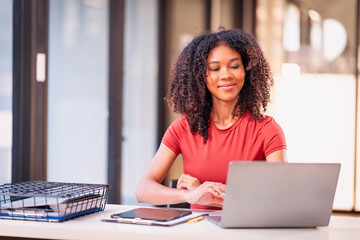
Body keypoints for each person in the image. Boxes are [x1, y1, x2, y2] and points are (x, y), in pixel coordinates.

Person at [136, 29, 287, 210]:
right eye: (215, 68)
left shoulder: (267, 130)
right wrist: (190, 195)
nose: (226, 75)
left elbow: (280, 195)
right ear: (201, 76)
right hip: (197, 232)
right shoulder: (183, 127)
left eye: (234, 66)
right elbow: (143, 190)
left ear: (246, 70)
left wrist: (215, 198)